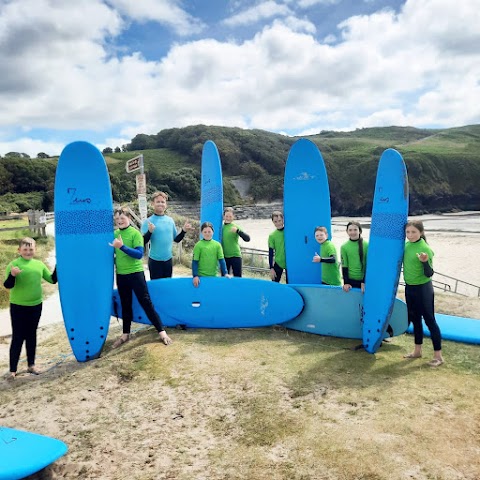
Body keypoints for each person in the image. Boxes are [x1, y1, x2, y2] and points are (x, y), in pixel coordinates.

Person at [110, 208, 172, 348]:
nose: (119, 221)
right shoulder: (115, 234)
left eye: (122, 218)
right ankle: (125, 334)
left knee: (146, 303)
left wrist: (122, 247)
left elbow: (139, 254)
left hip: (135, 274)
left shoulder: (135, 233)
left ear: (129, 219)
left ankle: (161, 331)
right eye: (117, 219)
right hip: (121, 275)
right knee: (125, 304)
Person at [3, 237, 57, 380]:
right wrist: (12, 275)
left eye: (31, 249)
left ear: (35, 249)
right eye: (25, 249)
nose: (28, 252)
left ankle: (31, 365)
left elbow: (52, 280)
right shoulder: (13, 264)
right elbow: (8, 285)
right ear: (19, 250)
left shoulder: (39, 264)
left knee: (31, 335)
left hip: (36, 305)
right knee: (18, 337)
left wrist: (59, 264)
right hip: (18, 306)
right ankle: (12, 370)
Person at [403, 220, 443, 367]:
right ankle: (417, 351)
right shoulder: (406, 246)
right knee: (415, 319)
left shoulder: (425, 248)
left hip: (423, 289)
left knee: (429, 321)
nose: (410, 235)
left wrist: (425, 262)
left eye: (413, 232)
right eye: (408, 232)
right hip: (410, 288)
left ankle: (438, 356)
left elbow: (429, 274)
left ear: (421, 232)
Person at [141, 191, 193, 279]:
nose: (160, 204)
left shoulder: (170, 220)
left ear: (166, 204)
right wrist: (149, 232)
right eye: (158, 202)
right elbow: (142, 242)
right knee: (157, 288)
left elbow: (176, 239)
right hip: (154, 261)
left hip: (168, 261)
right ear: (152, 204)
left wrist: (183, 231)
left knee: (167, 287)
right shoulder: (148, 221)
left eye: (163, 202)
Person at [192, 222, 230, 287]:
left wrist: (225, 273)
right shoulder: (198, 245)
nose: (207, 234)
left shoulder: (217, 245)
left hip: (214, 276)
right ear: (201, 233)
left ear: (213, 232)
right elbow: (195, 262)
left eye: (209, 231)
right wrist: (195, 276)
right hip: (201, 277)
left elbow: (222, 261)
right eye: (205, 232)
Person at [222, 207, 251, 277]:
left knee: (238, 277)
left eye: (230, 216)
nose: (228, 218)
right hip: (224, 256)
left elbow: (247, 239)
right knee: (224, 278)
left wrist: (238, 231)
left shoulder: (235, 227)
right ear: (223, 216)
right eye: (226, 216)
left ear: (233, 217)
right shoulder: (221, 228)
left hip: (235, 255)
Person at [341, 221, 368, 292]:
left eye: (355, 229)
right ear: (347, 231)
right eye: (350, 230)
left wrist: (364, 281)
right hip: (351, 281)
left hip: (365, 281)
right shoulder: (344, 247)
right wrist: (346, 283)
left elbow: (368, 265)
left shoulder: (367, 245)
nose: (353, 232)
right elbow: (344, 266)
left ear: (360, 231)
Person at [268, 211, 287, 283]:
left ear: (283, 220)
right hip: (278, 263)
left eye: (280, 221)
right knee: (274, 284)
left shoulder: (288, 232)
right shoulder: (272, 236)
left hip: (290, 263)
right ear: (273, 222)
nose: (278, 223)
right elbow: (270, 253)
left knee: (291, 285)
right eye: (275, 221)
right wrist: (271, 268)